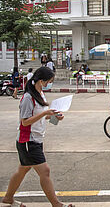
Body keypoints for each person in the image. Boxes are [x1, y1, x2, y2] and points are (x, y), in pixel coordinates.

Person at [1, 67, 74, 207]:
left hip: (36, 139)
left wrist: (53, 116)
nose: (49, 84)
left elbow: (40, 117)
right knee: (44, 171)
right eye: (49, 81)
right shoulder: (28, 97)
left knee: (23, 169)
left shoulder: (39, 94)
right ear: (41, 80)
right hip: (28, 140)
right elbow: (25, 121)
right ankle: (56, 204)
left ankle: (8, 198)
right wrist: (44, 114)